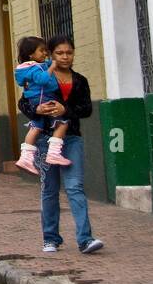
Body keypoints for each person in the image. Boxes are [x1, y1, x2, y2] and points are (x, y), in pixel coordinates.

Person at [24, 36, 104, 255]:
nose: (65, 57)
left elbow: (86, 109)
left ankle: (85, 239)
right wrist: (36, 111)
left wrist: (65, 110)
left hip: (71, 139)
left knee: (75, 187)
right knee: (49, 189)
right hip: (44, 140)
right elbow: (25, 102)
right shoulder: (40, 77)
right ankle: (50, 238)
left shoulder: (80, 80)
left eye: (69, 52)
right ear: (51, 54)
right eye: (60, 53)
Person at [14, 36, 71, 173]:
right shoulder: (36, 68)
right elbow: (42, 80)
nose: (45, 53)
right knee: (62, 123)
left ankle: (25, 158)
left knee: (35, 127)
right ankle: (54, 154)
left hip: (35, 99)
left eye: (46, 50)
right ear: (31, 54)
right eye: (42, 50)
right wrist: (51, 67)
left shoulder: (26, 68)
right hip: (44, 98)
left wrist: (53, 62)